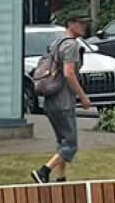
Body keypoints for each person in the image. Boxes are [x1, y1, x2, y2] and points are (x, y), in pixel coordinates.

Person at [30, 14, 99, 185]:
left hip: (51, 99)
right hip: (63, 100)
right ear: (71, 24)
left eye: (85, 24)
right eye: (81, 23)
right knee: (71, 144)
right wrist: (83, 96)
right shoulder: (71, 45)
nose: (84, 27)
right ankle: (44, 171)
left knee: (62, 141)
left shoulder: (57, 43)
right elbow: (69, 73)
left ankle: (61, 178)